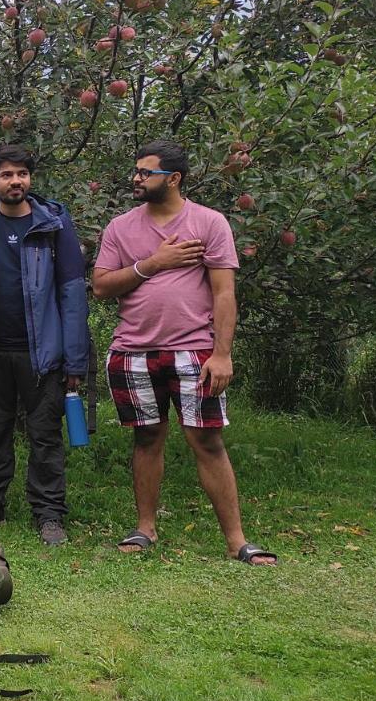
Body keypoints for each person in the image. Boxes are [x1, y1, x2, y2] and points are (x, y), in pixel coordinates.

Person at [92, 139, 276, 565]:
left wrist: (222, 353)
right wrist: (153, 263)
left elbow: (224, 293)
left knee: (207, 440)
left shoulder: (209, 223)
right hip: (133, 351)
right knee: (147, 436)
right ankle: (144, 529)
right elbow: (101, 287)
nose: (136, 178)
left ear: (173, 179)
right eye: (136, 171)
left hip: (194, 352)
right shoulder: (121, 227)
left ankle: (237, 541)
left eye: (146, 172)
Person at [0, 145, 90, 545]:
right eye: (7, 175)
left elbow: (72, 293)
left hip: (42, 355)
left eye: (22, 174)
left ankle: (49, 515)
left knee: (45, 434)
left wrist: (75, 360)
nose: (16, 181)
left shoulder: (54, 226)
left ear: (30, 179)